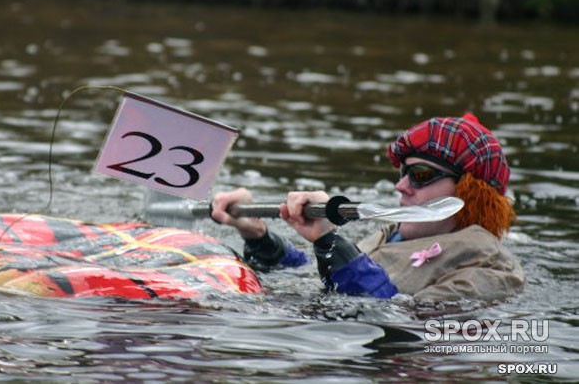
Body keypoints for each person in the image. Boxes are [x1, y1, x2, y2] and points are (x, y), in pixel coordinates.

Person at [211, 113, 525, 302]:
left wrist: (329, 240)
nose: (401, 186)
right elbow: (308, 275)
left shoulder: (490, 272)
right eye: (403, 173)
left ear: (471, 193)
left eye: (420, 175)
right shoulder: (389, 236)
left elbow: (389, 316)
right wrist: (258, 234)